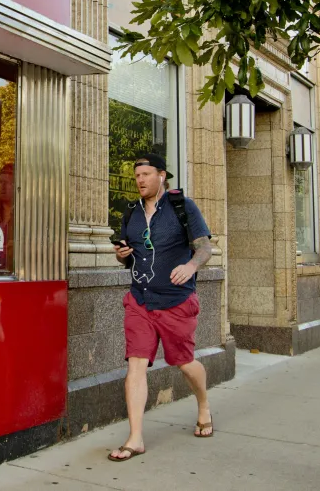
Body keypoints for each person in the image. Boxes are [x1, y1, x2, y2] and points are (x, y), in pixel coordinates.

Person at [108, 153, 216, 462]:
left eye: (145, 174)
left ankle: (204, 404)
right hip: (140, 299)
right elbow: (128, 255)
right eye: (136, 176)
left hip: (176, 300)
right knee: (136, 364)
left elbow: (205, 247)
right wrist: (122, 255)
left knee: (184, 362)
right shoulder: (131, 212)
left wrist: (191, 266)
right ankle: (135, 437)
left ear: (161, 175)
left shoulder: (183, 207)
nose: (140, 180)